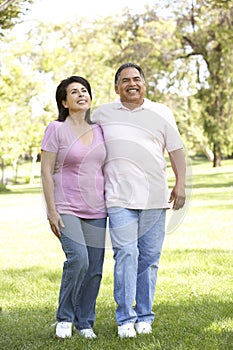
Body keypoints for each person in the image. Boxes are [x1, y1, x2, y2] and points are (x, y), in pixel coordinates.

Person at [91, 63, 186, 338]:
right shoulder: (102, 114)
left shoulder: (161, 112)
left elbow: (176, 149)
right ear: (116, 87)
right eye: (125, 80)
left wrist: (181, 183)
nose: (132, 83)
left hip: (155, 198)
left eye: (136, 79)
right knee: (126, 255)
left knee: (150, 259)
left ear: (144, 83)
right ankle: (125, 319)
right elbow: (81, 140)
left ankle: (144, 316)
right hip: (118, 198)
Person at [41, 76, 107, 339]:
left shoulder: (101, 129)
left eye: (85, 90)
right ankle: (65, 318)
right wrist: (52, 211)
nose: (81, 95)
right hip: (66, 205)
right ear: (64, 102)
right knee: (78, 259)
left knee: (95, 268)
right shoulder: (56, 129)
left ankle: (85, 321)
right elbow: (46, 172)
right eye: (74, 92)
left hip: (98, 208)